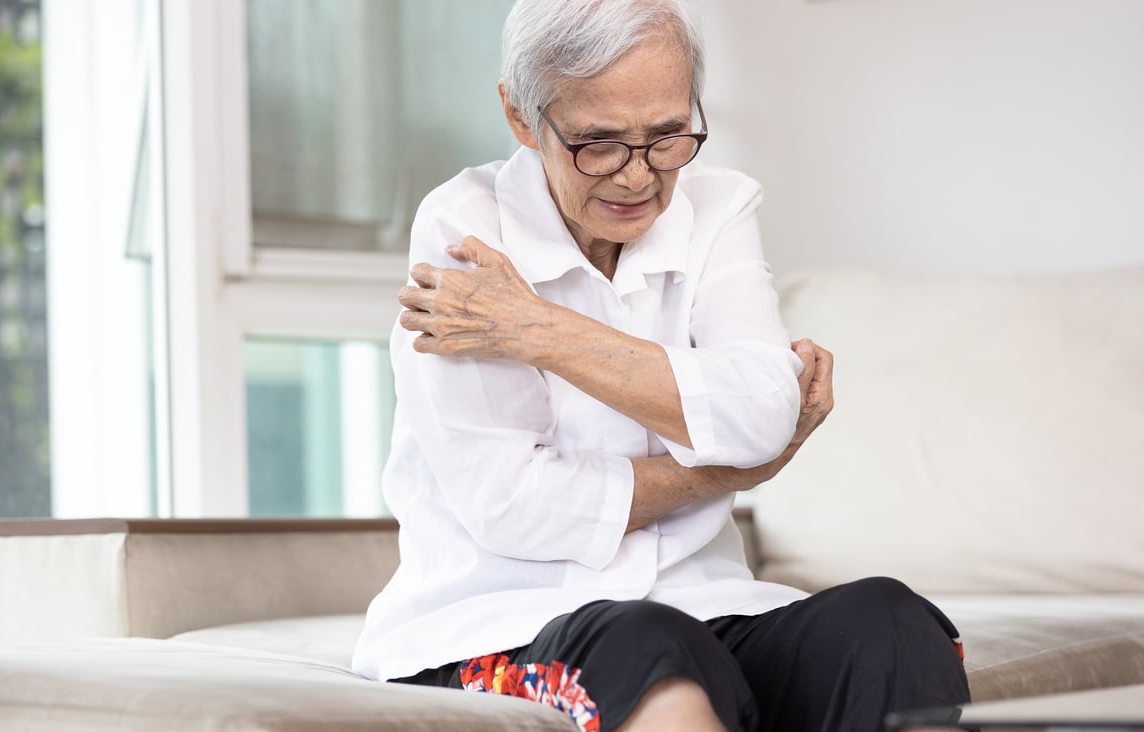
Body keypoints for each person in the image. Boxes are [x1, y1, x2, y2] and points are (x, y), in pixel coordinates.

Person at [351, 1, 970, 730]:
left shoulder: (720, 205)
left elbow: (763, 413)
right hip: (502, 624)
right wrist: (729, 470)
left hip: (706, 607)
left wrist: (540, 330)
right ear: (521, 116)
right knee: (651, 650)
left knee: (887, 624)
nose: (637, 177)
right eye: (599, 142)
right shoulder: (464, 229)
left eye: (668, 135)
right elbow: (513, 508)